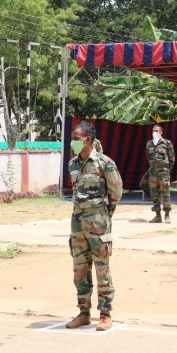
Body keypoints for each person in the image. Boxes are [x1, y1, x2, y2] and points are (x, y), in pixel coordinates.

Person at [65, 120, 123, 331]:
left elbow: (116, 192)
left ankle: (105, 315)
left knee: (102, 269)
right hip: (77, 223)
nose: (73, 143)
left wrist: (105, 215)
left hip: (98, 223)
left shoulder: (104, 163)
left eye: (76, 139)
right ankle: (83, 313)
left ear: (87, 140)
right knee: (79, 270)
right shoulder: (73, 164)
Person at [145, 124, 175, 223]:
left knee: (165, 193)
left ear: (161, 132)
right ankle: (157, 216)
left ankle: (167, 215)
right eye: (153, 131)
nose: (155, 132)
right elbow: (148, 158)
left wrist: (167, 169)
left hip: (163, 172)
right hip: (153, 172)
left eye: (157, 131)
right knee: (154, 194)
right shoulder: (149, 144)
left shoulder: (167, 143)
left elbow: (172, 159)